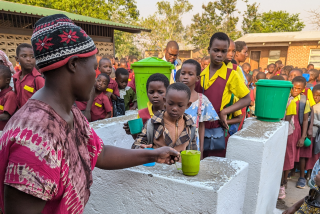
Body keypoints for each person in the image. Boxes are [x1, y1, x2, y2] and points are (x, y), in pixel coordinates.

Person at [0, 14, 180, 214]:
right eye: (94, 68)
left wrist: (153, 154)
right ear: (73, 64)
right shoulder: (35, 140)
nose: (96, 78)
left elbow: (99, 153)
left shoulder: (69, 112)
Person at [195, 32, 251, 158]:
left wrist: (224, 112)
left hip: (216, 131)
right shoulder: (200, 74)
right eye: (216, 50)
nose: (219, 54)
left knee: (214, 167)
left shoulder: (231, 74)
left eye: (223, 51)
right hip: (197, 129)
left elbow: (246, 99)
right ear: (209, 50)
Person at [132, 82, 197, 152]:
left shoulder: (190, 126)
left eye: (180, 105)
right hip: (159, 162)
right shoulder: (152, 124)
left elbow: (192, 151)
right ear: (165, 101)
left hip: (181, 163)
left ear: (188, 105)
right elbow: (137, 144)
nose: (174, 108)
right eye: (171, 104)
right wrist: (140, 148)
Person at [279, 76, 311, 199]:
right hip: (282, 127)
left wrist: (303, 137)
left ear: (303, 89)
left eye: (299, 89)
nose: (295, 90)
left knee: (288, 157)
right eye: (294, 87)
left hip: (294, 131)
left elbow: (305, 120)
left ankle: (283, 183)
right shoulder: (285, 96)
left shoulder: (303, 100)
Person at [180, 59, 219, 158]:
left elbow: (201, 127)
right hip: (174, 141)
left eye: (190, 74)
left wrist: (200, 150)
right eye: (183, 73)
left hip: (193, 145)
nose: (185, 77)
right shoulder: (173, 97)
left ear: (197, 78)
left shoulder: (201, 100)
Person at [123, 73, 169, 139]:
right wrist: (132, 132)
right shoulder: (142, 114)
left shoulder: (172, 112)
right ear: (147, 93)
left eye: (160, 92)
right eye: (151, 92)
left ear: (168, 92)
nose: (155, 95)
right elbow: (139, 139)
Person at [13, 43, 45, 109]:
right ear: (17, 59)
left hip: (34, 116)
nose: (28, 59)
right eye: (24, 56)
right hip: (20, 116)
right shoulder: (15, 78)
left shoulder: (38, 79)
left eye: (32, 57)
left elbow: (45, 102)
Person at [0, 65, 17, 130]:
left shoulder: (10, 95)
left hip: (4, 131)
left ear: (7, 80)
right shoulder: (1, 94)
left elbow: (6, 116)